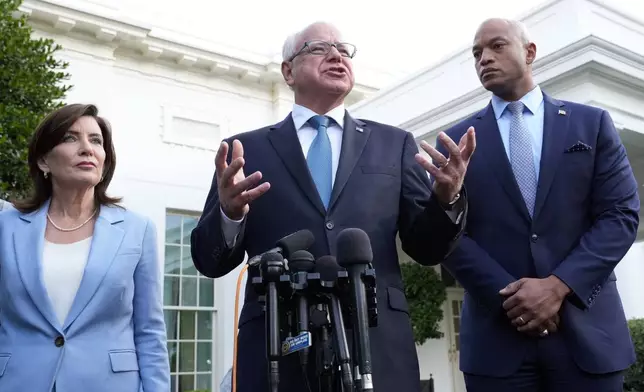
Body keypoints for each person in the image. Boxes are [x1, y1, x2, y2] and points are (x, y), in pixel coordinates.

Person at [191, 21, 476, 392]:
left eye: (343, 49)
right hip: (278, 347)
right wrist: (229, 214)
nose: (337, 55)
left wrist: (447, 199)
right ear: (288, 71)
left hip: (378, 344)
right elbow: (209, 260)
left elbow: (427, 248)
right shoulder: (246, 150)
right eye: (319, 48)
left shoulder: (394, 144)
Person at [437, 18, 640, 392]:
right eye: (477, 53)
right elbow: (447, 233)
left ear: (529, 52)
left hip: (588, 334)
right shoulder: (454, 142)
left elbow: (621, 214)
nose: (485, 58)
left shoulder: (590, 124)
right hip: (496, 341)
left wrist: (559, 286)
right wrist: (512, 299)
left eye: (497, 46)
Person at [0, 104, 170, 392]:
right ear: (43, 160)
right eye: (70, 138)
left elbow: (150, 331)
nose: (87, 148)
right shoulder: (6, 226)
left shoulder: (137, 230)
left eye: (96, 140)